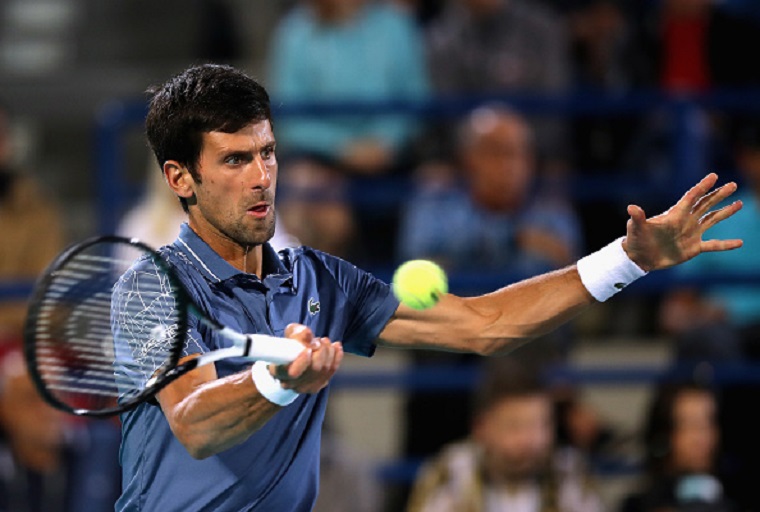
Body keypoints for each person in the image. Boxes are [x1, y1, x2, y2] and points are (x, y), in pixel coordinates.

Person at [114, 63, 742, 512]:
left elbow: (483, 325)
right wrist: (279, 383)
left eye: (268, 153)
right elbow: (195, 424)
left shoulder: (317, 279)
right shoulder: (151, 289)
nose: (262, 177)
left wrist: (624, 260)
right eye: (234, 160)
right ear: (180, 178)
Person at [267, 0, 429, 260]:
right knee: (308, 190)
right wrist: (342, 149)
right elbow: (289, 116)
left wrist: (386, 143)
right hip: (322, 158)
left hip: (391, 156)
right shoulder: (295, 32)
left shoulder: (396, 26)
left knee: (434, 186)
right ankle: (317, 290)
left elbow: (414, 99)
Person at [406, 358, 604, 512]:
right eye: (515, 426)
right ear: (480, 428)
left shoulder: (569, 471)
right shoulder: (450, 471)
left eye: (541, 425)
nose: (531, 440)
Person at [0, 100, 68, 512]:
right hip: (17, 337)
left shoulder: (37, 208)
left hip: (24, 344)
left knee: (31, 382)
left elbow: (51, 299)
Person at [619, 378, 736, 512]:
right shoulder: (639, 504)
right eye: (690, 425)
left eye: (708, 424)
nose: (702, 438)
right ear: (665, 435)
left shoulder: (735, 500)